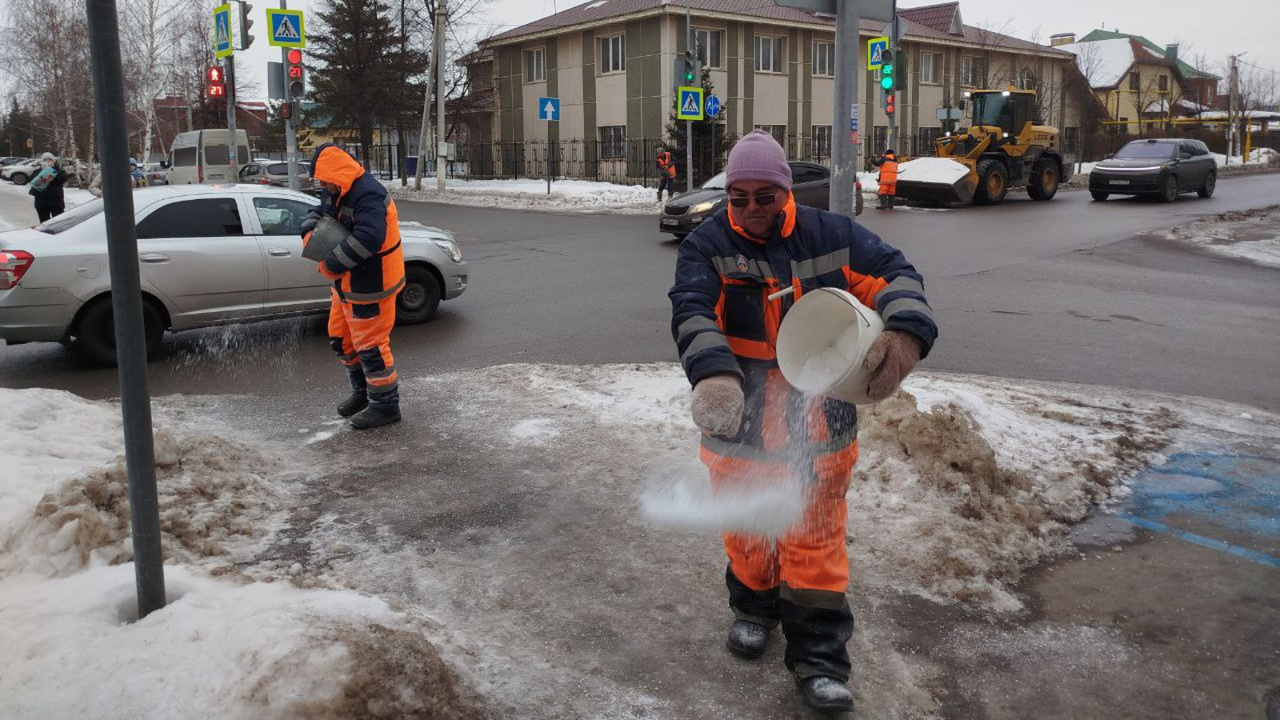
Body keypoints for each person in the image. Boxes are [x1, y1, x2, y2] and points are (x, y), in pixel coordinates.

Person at [669, 130, 937, 713]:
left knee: (813, 541)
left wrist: (905, 334)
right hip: (737, 419)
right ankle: (753, 609)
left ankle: (819, 658)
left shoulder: (832, 236)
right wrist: (714, 375)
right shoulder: (707, 245)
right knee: (746, 532)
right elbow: (692, 310)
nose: (751, 209)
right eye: (738, 197)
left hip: (819, 422)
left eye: (764, 196)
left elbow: (897, 275)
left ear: (785, 193)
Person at [300, 143, 406, 430]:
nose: (322, 185)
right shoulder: (337, 190)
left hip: (372, 284)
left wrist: (332, 264)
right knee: (341, 341)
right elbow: (319, 211)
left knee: (370, 346)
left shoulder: (368, 193)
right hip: (347, 284)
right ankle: (364, 394)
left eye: (324, 179)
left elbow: (369, 239)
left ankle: (385, 406)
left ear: (336, 173)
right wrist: (309, 228)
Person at [28, 152, 68, 223]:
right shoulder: (37, 171)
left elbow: (63, 178)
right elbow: (32, 180)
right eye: (45, 159)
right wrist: (43, 171)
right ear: (42, 162)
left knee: (58, 223)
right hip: (42, 203)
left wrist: (52, 170)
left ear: (53, 161)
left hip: (56, 202)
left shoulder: (59, 171)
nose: (47, 161)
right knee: (44, 223)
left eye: (50, 159)